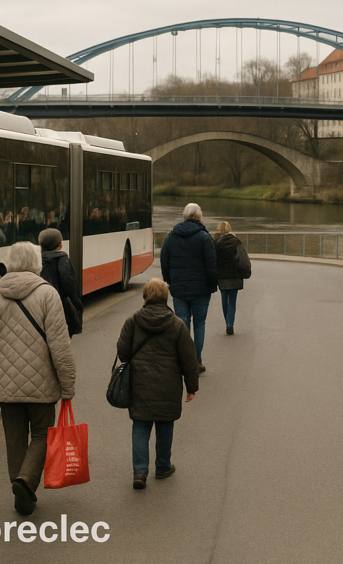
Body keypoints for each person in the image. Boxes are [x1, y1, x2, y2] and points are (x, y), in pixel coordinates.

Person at [0, 242, 76, 515]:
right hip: (42, 383)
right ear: (36, 262)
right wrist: (68, 384)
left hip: (6, 383)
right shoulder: (48, 294)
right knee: (42, 434)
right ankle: (25, 482)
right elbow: (60, 345)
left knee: (14, 438)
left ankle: (20, 487)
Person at [117, 278, 199, 490]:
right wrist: (192, 387)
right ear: (166, 297)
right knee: (165, 424)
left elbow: (123, 352)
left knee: (140, 425)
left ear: (145, 296)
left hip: (139, 382)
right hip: (168, 385)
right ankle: (162, 466)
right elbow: (189, 360)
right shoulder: (177, 325)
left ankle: (139, 472)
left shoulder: (133, 321)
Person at [160, 203, 216, 372]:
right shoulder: (205, 237)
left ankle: (183, 362)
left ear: (184, 216)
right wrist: (212, 285)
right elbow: (211, 264)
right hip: (201, 289)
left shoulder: (172, 236)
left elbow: (164, 260)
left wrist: (170, 280)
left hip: (179, 289)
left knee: (182, 325)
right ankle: (196, 361)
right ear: (199, 217)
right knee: (199, 324)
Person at [39, 229, 83, 336]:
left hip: (40, 307)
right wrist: (78, 306)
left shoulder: (36, 261)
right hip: (60, 306)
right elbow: (69, 284)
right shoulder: (62, 259)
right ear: (60, 245)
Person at [213, 221, 246, 335]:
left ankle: (227, 322)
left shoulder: (216, 243)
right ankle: (230, 323)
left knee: (224, 300)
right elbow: (241, 257)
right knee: (232, 302)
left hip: (222, 276)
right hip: (234, 276)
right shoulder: (236, 242)